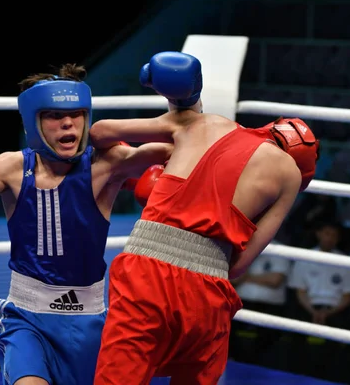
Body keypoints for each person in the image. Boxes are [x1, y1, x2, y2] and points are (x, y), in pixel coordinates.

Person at [0, 64, 172, 385]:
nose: (68, 122)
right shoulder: (10, 168)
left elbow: (182, 147)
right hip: (27, 319)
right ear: (33, 121)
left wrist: (180, 105)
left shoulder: (107, 166)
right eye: (54, 115)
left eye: (77, 113)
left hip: (90, 320)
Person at [89, 51, 319, 385]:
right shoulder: (289, 178)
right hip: (209, 287)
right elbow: (237, 266)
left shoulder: (206, 123)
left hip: (147, 268)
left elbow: (100, 132)